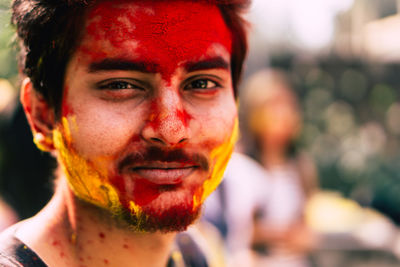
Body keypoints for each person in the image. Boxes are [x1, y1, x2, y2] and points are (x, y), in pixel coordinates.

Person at [0, 0, 250, 266]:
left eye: (203, 83)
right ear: (43, 115)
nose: (172, 131)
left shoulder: (196, 253)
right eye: (121, 85)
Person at [242, 69, 318, 267]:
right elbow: (233, 228)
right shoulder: (240, 167)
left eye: (287, 105)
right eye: (274, 105)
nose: (282, 114)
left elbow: (308, 228)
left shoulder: (301, 166)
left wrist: (305, 238)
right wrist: (275, 234)